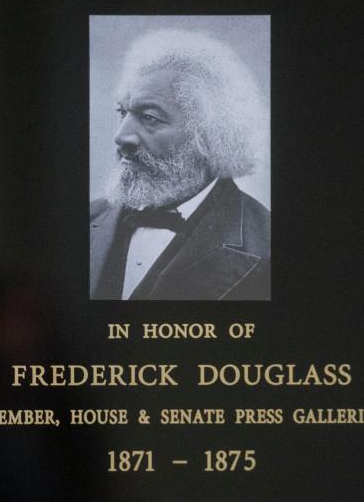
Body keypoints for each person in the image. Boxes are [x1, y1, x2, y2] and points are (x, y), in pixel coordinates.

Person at [90, 29, 271, 300]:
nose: (121, 136)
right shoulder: (90, 217)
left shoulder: (267, 244)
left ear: (210, 136)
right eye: (122, 112)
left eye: (149, 117)